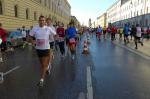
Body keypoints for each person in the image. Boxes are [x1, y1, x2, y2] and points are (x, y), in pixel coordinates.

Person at [29, 16, 56, 87]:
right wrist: (32, 42)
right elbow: (30, 36)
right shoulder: (35, 28)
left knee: (44, 64)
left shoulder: (48, 28)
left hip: (46, 48)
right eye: (40, 20)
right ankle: (47, 68)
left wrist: (52, 39)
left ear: (45, 22)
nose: (42, 22)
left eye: (43, 20)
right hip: (38, 49)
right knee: (42, 64)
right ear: (38, 21)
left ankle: (41, 80)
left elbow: (55, 34)